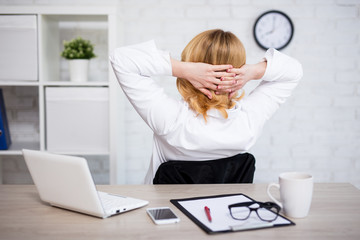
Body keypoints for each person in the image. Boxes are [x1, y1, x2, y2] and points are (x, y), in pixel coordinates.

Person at [110, 29, 303, 184]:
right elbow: (294, 71)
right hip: (227, 221)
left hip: (170, 223)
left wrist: (182, 69)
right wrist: (251, 72)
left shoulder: (171, 120)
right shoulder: (248, 123)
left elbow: (121, 59)